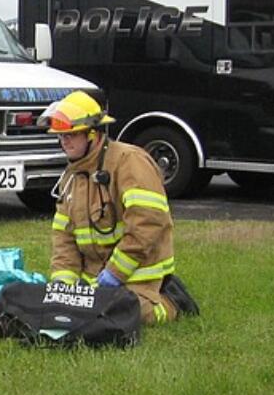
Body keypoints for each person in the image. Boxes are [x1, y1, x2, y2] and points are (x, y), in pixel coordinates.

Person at [39, 90, 200, 325]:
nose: (65, 142)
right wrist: (63, 287)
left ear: (93, 134)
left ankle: (170, 303)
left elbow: (147, 224)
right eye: (61, 136)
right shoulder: (72, 177)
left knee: (120, 314)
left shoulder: (130, 162)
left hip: (138, 278)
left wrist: (114, 274)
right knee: (65, 313)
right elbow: (64, 238)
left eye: (71, 135)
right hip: (95, 283)